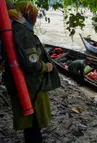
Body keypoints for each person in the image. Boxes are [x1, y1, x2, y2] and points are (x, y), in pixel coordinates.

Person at [2, 1, 61, 142]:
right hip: (31, 86)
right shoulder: (23, 33)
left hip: (26, 84)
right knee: (34, 122)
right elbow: (31, 63)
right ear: (27, 14)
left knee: (31, 124)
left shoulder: (17, 28)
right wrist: (45, 67)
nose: (35, 17)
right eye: (33, 13)